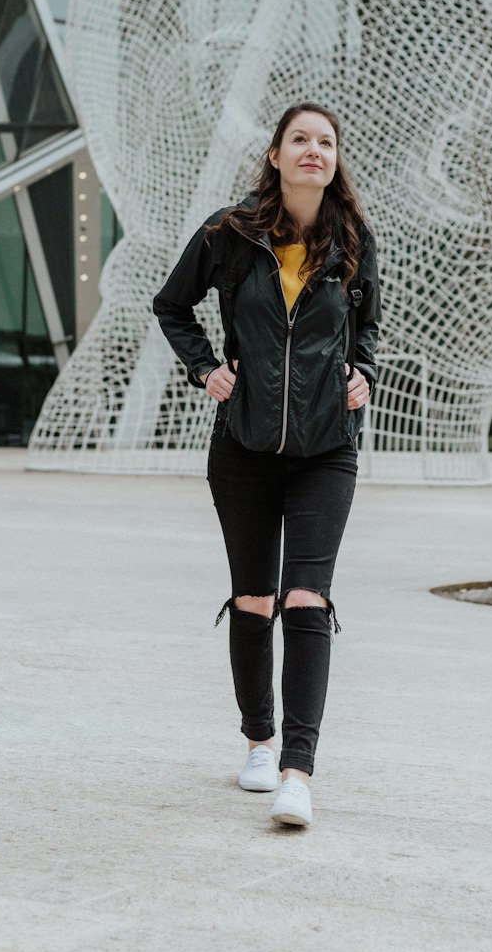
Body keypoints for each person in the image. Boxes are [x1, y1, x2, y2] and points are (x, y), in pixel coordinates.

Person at [153, 102, 381, 827]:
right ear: (277, 156)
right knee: (254, 601)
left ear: (335, 159)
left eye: (326, 142)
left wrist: (365, 372)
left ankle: (297, 772)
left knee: (307, 600)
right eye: (300, 140)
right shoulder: (230, 233)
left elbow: (369, 322)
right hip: (244, 448)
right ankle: (258, 740)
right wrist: (203, 371)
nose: (314, 150)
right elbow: (172, 306)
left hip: (327, 449)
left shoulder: (353, 242)